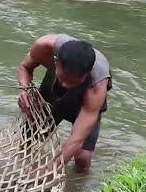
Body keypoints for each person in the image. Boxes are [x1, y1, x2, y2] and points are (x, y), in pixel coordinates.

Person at [17, 33, 112, 171]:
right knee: (29, 138)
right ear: (56, 62)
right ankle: (21, 167)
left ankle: (77, 188)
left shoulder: (97, 85)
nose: (66, 85)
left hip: (84, 102)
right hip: (52, 90)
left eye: (73, 81)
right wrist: (25, 91)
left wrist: (49, 170)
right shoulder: (44, 46)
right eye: (63, 78)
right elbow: (25, 67)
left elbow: (77, 138)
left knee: (82, 159)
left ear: (87, 73)